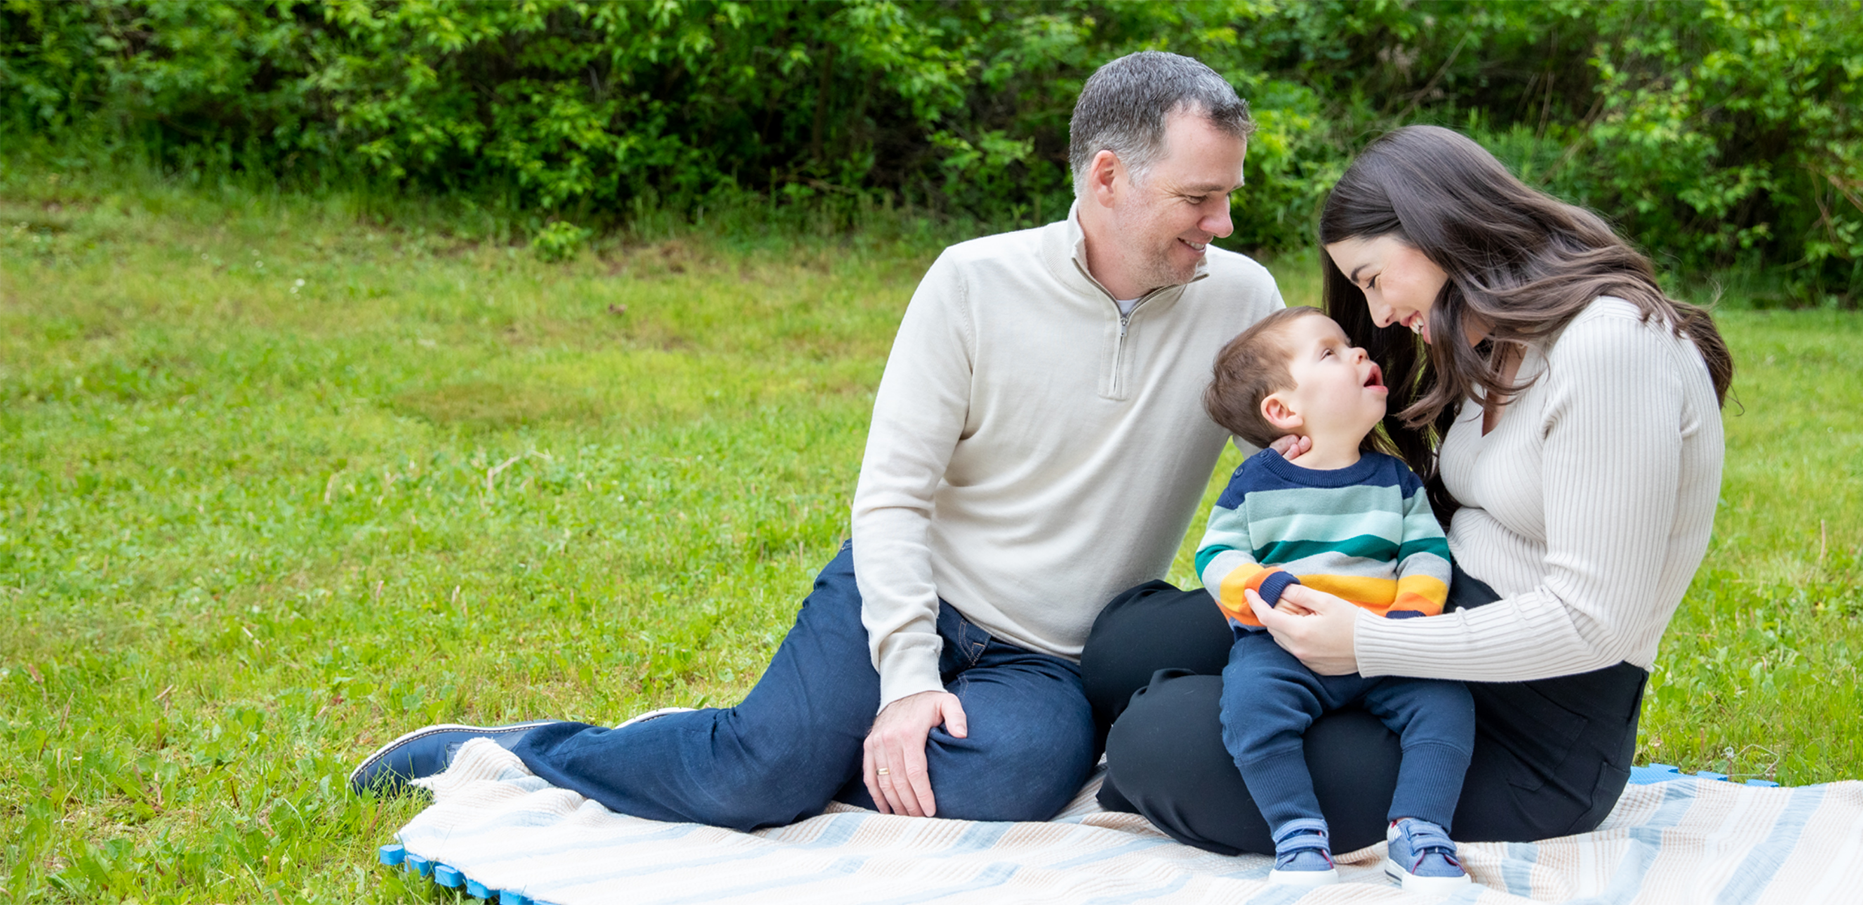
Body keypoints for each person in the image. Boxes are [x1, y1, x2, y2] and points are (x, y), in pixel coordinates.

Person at [347, 51, 1285, 830]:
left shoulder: (1242, 298)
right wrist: (909, 677)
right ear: (1108, 177)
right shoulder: (972, 282)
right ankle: (528, 750)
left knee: (1009, 785)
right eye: (1201, 198)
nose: (1224, 224)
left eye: (1229, 197)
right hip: (916, 590)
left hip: (1052, 656)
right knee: (754, 783)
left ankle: (795, 743)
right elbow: (891, 495)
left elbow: (1288, 466)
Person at [1081, 123, 1733, 856]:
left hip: (1531, 733)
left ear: (1436, 225)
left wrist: (1369, 644)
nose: (1381, 314)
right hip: (1418, 611)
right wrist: (1320, 455)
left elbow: (1594, 621)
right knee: (1121, 645)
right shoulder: (1504, 337)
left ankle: (1206, 717)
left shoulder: (1614, 345)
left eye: (1370, 278)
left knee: (1155, 737)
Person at [1198, 307, 1473, 892]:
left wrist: (1405, 621)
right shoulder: (1257, 484)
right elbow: (1216, 557)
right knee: (1249, 706)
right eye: (1329, 352)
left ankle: (1419, 829)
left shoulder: (1394, 480)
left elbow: (1425, 555)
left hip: (1386, 642)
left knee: (1447, 704)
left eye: (1350, 346)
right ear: (1283, 410)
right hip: (1285, 647)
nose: (1358, 354)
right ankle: (1297, 831)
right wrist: (1270, 590)